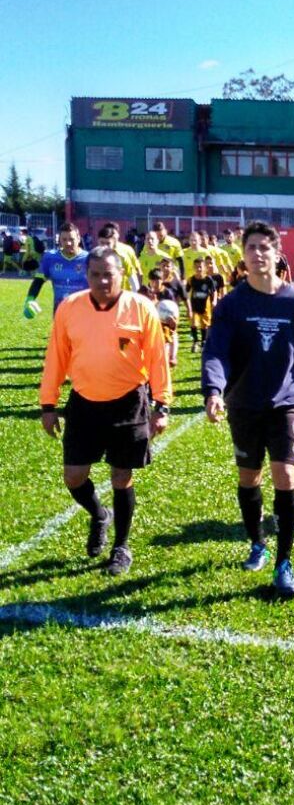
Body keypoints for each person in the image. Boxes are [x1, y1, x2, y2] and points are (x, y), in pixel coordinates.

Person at [202, 220, 294, 599]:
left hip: (286, 402)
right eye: (250, 247)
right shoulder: (233, 305)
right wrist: (214, 390)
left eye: (264, 247)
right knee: (249, 477)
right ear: (244, 255)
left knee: (284, 475)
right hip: (243, 404)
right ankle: (257, 542)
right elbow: (216, 350)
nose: (257, 254)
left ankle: (284, 562)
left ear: (276, 253)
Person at [39, 246, 172, 574]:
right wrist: (48, 404)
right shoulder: (70, 308)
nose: (101, 281)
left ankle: (121, 547)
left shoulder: (140, 308)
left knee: (121, 476)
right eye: (95, 274)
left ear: (121, 274)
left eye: (108, 274)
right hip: (84, 403)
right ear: (87, 275)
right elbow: (56, 356)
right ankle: (100, 514)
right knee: (74, 476)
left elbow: (157, 358)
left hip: (128, 402)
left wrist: (163, 404)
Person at [23, 222, 89, 316]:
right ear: (59, 240)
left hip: (83, 315)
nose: (68, 243)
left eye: (71, 239)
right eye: (64, 239)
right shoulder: (50, 258)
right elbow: (38, 281)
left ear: (78, 239)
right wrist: (29, 300)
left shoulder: (89, 259)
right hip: (59, 314)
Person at [97, 223, 142, 290]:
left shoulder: (123, 256)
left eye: (108, 243)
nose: (105, 246)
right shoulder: (93, 258)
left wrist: (135, 296)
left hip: (123, 294)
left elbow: (134, 277)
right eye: (102, 243)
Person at [188, 257, 216, 353]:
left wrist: (214, 300)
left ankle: (204, 342)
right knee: (194, 323)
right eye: (196, 267)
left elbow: (214, 291)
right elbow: (186, 291)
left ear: (205, 268)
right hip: (194, 306)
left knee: (205, 325)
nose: (198, 269)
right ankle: (195, 342)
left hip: (205, 306)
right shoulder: (191, 279)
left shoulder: (208, 279)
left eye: (200, 267)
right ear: (193, 268)